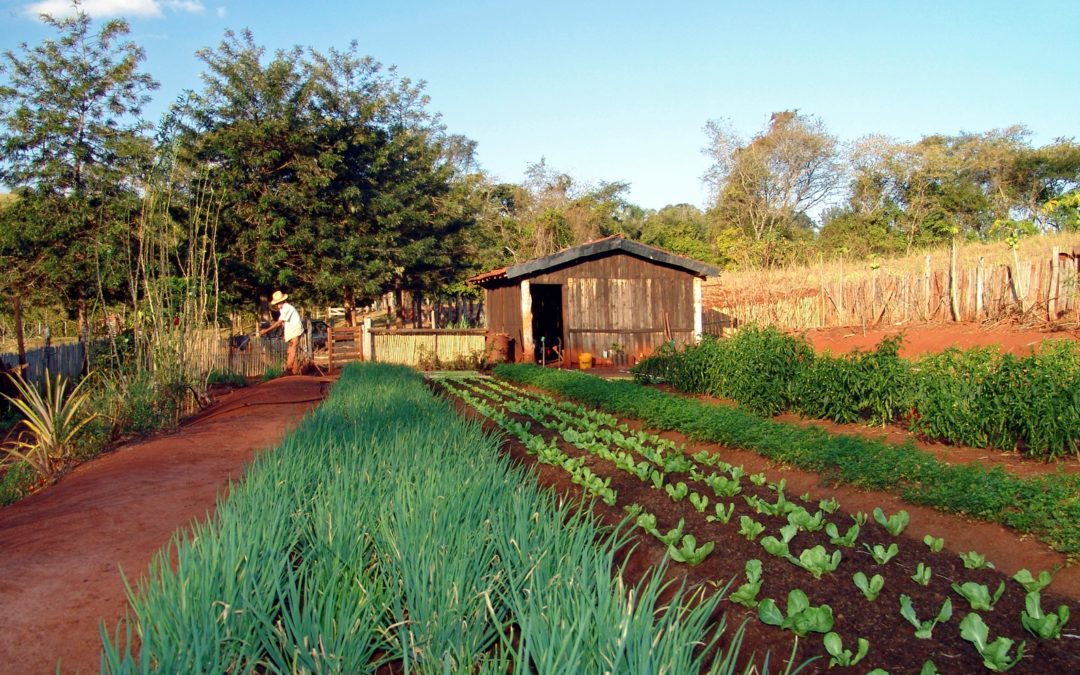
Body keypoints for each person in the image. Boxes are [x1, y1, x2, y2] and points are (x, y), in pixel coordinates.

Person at [261, 290, 304, 375]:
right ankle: (295, 371)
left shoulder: (287, 308)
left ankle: (288, 369)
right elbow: (284, 323)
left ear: (281, 301)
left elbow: (279, 323)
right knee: (290, 350)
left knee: (293, 349)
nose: (277, 305)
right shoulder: (283, 309)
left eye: (278, 303)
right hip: (291, 330)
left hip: (295, 329)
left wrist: (266, 330)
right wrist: (284, 333)